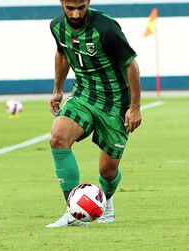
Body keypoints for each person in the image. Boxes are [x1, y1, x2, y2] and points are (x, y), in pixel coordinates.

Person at [47, 0, 142, 227]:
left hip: (115, 103)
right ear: (61, 3)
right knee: (58, 138)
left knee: (107, 171)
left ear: (88, 2)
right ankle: (73, 212)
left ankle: (106, 201)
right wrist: (58, 90)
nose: (76, 13)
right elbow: (62, 55)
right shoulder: (57, 26)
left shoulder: (107, 29)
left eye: (81, 6)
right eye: (70, 8)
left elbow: (131, 65)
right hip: (83, 95)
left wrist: (135, 107)